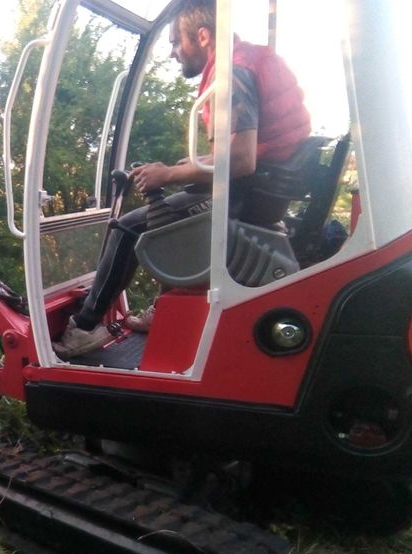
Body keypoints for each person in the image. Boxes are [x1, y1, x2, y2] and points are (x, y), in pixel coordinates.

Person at [54, 0, 311, 359]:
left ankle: (85, 328)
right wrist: (192, 164)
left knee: (129, 226)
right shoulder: (250, 58)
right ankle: (166, 309)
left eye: (177, 43)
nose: (174, 54)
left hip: (249, 193)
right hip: (266, 188)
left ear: (203, 36)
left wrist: (171, 174)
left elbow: (241, 159)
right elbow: (252, 148)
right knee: (175, 203)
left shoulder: (232, 74)